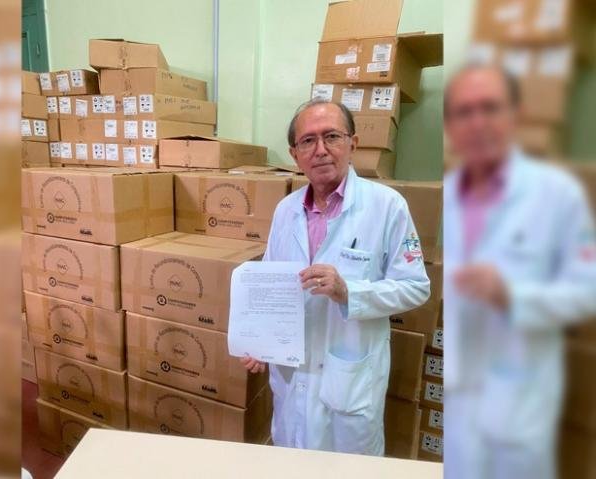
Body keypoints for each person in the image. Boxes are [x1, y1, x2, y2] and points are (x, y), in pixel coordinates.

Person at [241, 99, 430, 454]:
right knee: (292, 463)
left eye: (331, 136)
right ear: (295, 154)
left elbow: (416, 287)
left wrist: (349, 292)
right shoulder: (285, 210)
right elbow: (269, 283)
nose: (320, 150)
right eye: (308, 141)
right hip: (292, 373)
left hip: (349, 382)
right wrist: (261, 342)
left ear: (352, 144)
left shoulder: (387, 206)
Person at [443, 64, 596, 479]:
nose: (477, 123)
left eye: (490, 108)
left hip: (518, 407)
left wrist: (513, 296)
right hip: (455, 408)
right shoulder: (447, 196)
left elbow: (587, 291)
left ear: (517, 115)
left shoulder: (557, 194)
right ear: (450, 126)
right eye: (464, 112)